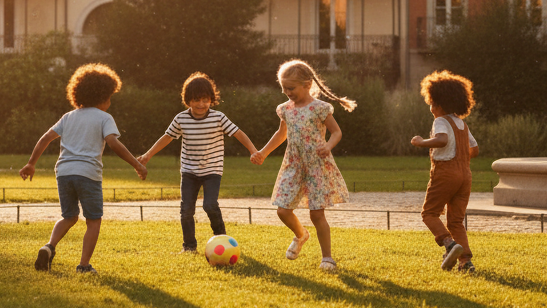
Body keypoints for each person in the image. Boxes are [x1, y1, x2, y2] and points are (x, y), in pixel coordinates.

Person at [19, 63, 146, 275]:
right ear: (104, 96)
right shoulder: (104, 117)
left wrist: (31, 163)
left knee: (69, 217)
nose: (110, 102)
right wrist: (137, 164)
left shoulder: (68, 116)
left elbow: (46, 138)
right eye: (110, 97)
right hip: (88, 174)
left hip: (64, 173)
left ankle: (49, 246)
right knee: (93, 220)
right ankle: (84, 265)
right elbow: (114, 144)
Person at [249, 60, 355, 271]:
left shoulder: (319, 108)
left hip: (317, 165)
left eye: (291, 88)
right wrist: (263, 153)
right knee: (282, 210)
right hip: (293, 165)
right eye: (284, 88)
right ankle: (301, 235)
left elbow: (336, 132)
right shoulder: (285, 109)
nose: (287, 92)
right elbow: (281, 134)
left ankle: (327, 258)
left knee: (317, 214)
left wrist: (328, 146)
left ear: (307, 84)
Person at [138, 72, 259, 253]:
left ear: (211, 99)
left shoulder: (218, 118)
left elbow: (238, 133)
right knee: (186, 210)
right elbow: (167, 138)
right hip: (189, 171)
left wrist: (253, 150)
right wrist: (147, 155)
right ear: (188, 100)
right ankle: (189, 247)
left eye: (205, 100)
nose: (201, 105)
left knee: (209, 205)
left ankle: (222, 239)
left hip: (212, 170)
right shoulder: (181, 119)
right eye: (196, 100)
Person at [410, 70, 480, 273]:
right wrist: (460, 156)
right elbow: (474, 150)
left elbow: (442, 140)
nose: (431, 108)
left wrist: (422, 142)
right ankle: (465, 262)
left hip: (446, 172)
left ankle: (449, 244)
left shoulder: (440, 120)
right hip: (465, 174)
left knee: (429, 213)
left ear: (439, 103)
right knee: (456, 220)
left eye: (431, 103)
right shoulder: (461, 123)